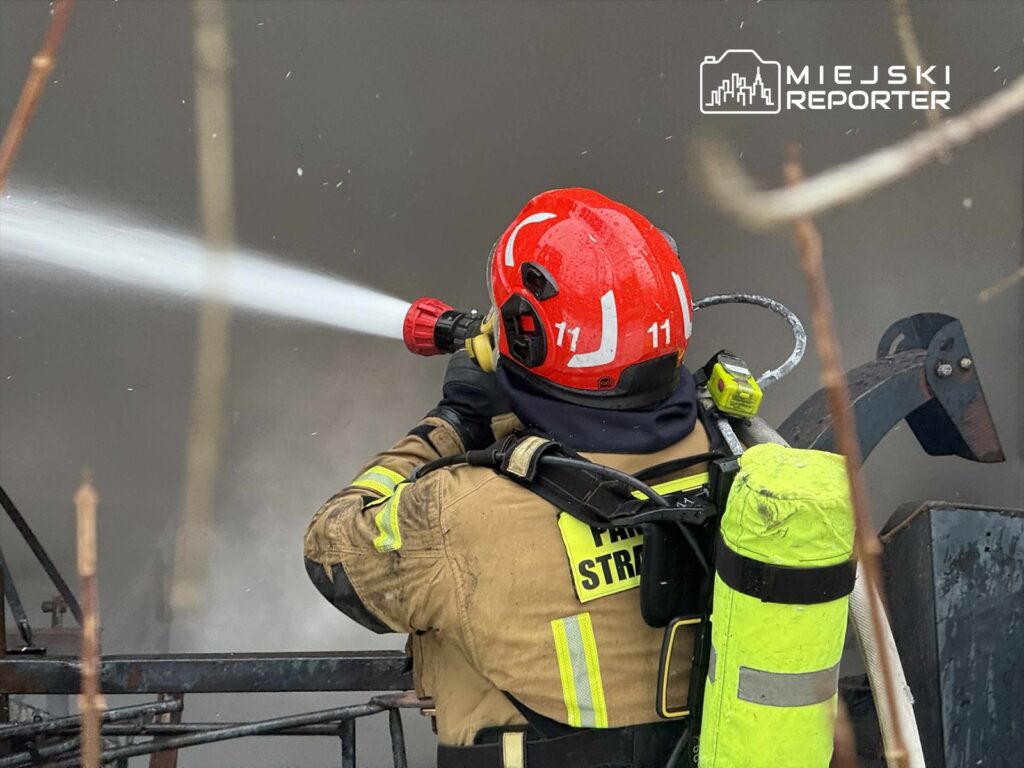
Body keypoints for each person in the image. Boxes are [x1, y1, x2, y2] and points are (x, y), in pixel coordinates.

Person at [304, 187, 722, 768]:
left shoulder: (456, 516)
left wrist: (453, 421)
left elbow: (332, 550)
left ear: (526, 334)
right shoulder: (735, 453)